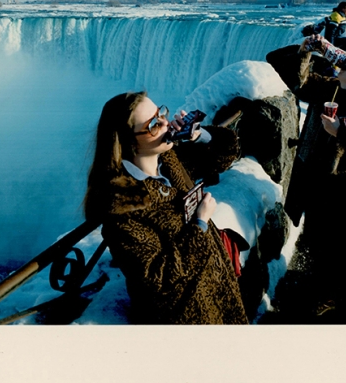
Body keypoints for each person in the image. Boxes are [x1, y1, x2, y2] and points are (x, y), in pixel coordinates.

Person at [82, 92, 247, 324]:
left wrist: (199, 136)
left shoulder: (167, 160)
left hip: (221, 293)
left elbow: (227, 153)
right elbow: (156, 279)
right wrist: (199, 225)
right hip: (191, 316)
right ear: (128, 142)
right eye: (153, 124)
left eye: (161, 114)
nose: (166, 124)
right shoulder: (122, 205)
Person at [266, 37, 346, 310]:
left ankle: (333, 297)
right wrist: (305, 51)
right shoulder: (330, 88)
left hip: (344, 192)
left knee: (340, 248)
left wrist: (340, 134)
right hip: (313, 180)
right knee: (315, 238)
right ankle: (318, 288)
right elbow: (277, 62)